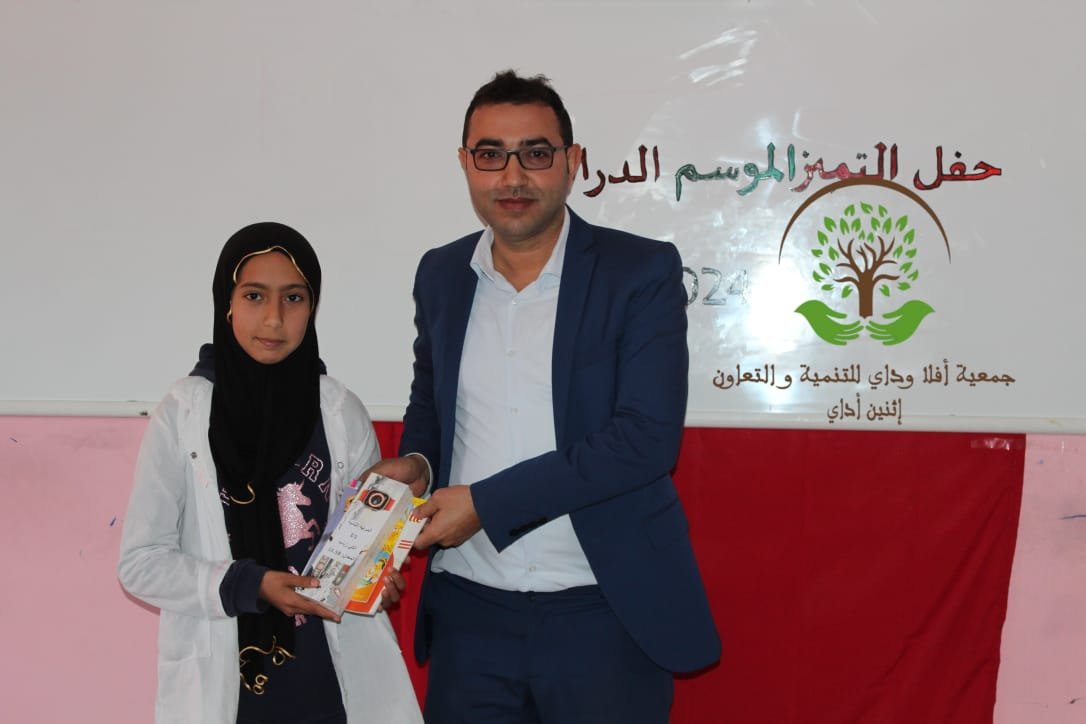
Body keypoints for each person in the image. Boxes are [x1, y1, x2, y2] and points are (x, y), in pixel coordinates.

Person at [371, 71, 721, 724]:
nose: (512, 176)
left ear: (572, 161)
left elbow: (645, 440)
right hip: (470, 615)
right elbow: (432, 408)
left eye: (535, 153)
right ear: (465, 163)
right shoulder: (441, 273)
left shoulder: (638, 272)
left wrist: (485, 504)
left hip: (602, 611)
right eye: (490, 154)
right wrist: (417, 465)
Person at [118, 222, 423, 724]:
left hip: (329, 686)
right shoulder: (184, 413)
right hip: (226, 689)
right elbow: (140, 563)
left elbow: (362, 542)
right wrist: (251, 584)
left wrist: (372, 580)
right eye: (254, 296)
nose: (275, 318)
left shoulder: (339, 410)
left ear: (313, 306)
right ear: (227, 303)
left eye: (294, 298)